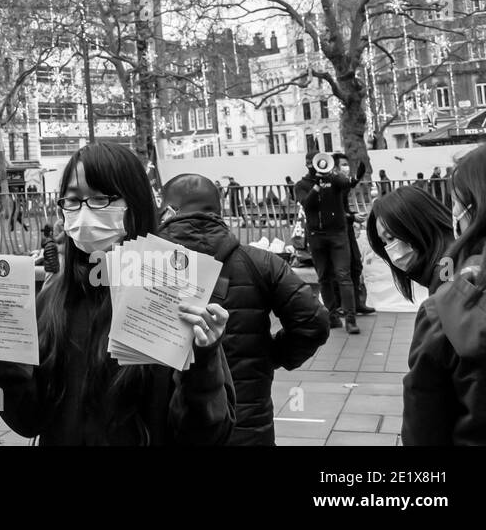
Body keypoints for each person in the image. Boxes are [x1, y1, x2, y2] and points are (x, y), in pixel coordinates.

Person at [0, 143, 233, 445]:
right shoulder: (52, 299)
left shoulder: (173, 296)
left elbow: (208, 434)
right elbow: (26, 421)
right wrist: (3, 354)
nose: (85, 213)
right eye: (74, 200)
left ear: (135, 203)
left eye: (101, 198)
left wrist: (203, 361)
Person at [160, 173, 329, 445]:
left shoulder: (142, 267)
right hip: (247, 422)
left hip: (171, 423)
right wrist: (272, 355)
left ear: (168, 211)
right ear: (219, 211)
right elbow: (314, 322)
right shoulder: (260, 262)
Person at [402, 142, 486, 444]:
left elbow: (424, 430)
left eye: (455, 202)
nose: (453, 212)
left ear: (477, 207)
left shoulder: (446, 309)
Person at [294, 155, 362, 333]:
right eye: (312, 163)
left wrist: (357, 176)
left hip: (337, 234)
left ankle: (350, 319)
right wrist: (317, 185)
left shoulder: (334, 179)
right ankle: (332, 317)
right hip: (316, 235)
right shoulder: (301, 185)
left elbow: (348, 183)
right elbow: (307, 204)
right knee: (324, 277)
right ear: (308, 165)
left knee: (343, 275)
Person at [366, 186, 454, 302]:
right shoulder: (447, 260)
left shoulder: (446, 269)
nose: (390, 251)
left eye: (390, 237)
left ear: (417, 223)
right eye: (384, 243)